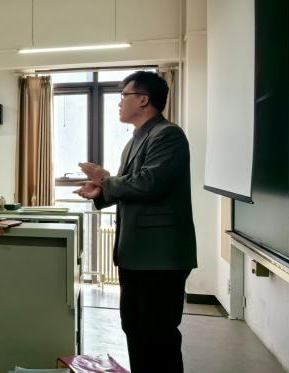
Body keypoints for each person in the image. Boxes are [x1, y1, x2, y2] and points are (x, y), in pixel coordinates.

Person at [74, 71, 196, 373]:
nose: (119, 103)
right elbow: (129, 187)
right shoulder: (134, 142)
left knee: (158, 336)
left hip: (160, 257)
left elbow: (149, 184)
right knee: (134, 328)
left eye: (123, 96)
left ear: (143, 99)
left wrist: (105, 179)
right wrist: (101, 192)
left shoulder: (168, 135)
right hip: (134, 255)